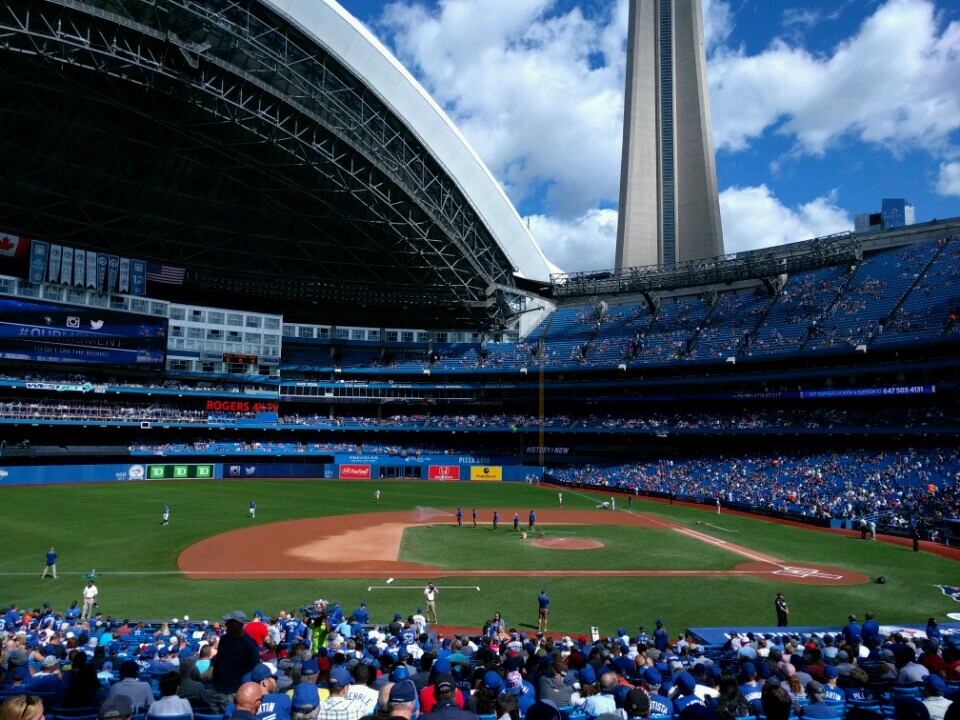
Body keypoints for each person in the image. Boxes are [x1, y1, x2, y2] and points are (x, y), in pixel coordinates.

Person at [209, 610, 261, 713]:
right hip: (216, 689)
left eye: (229, 622)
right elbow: (218, 662)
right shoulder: (224, 639)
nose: (226, 624)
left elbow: (253, 668)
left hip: (233, 691)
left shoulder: (249, 644)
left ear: (237, 625)